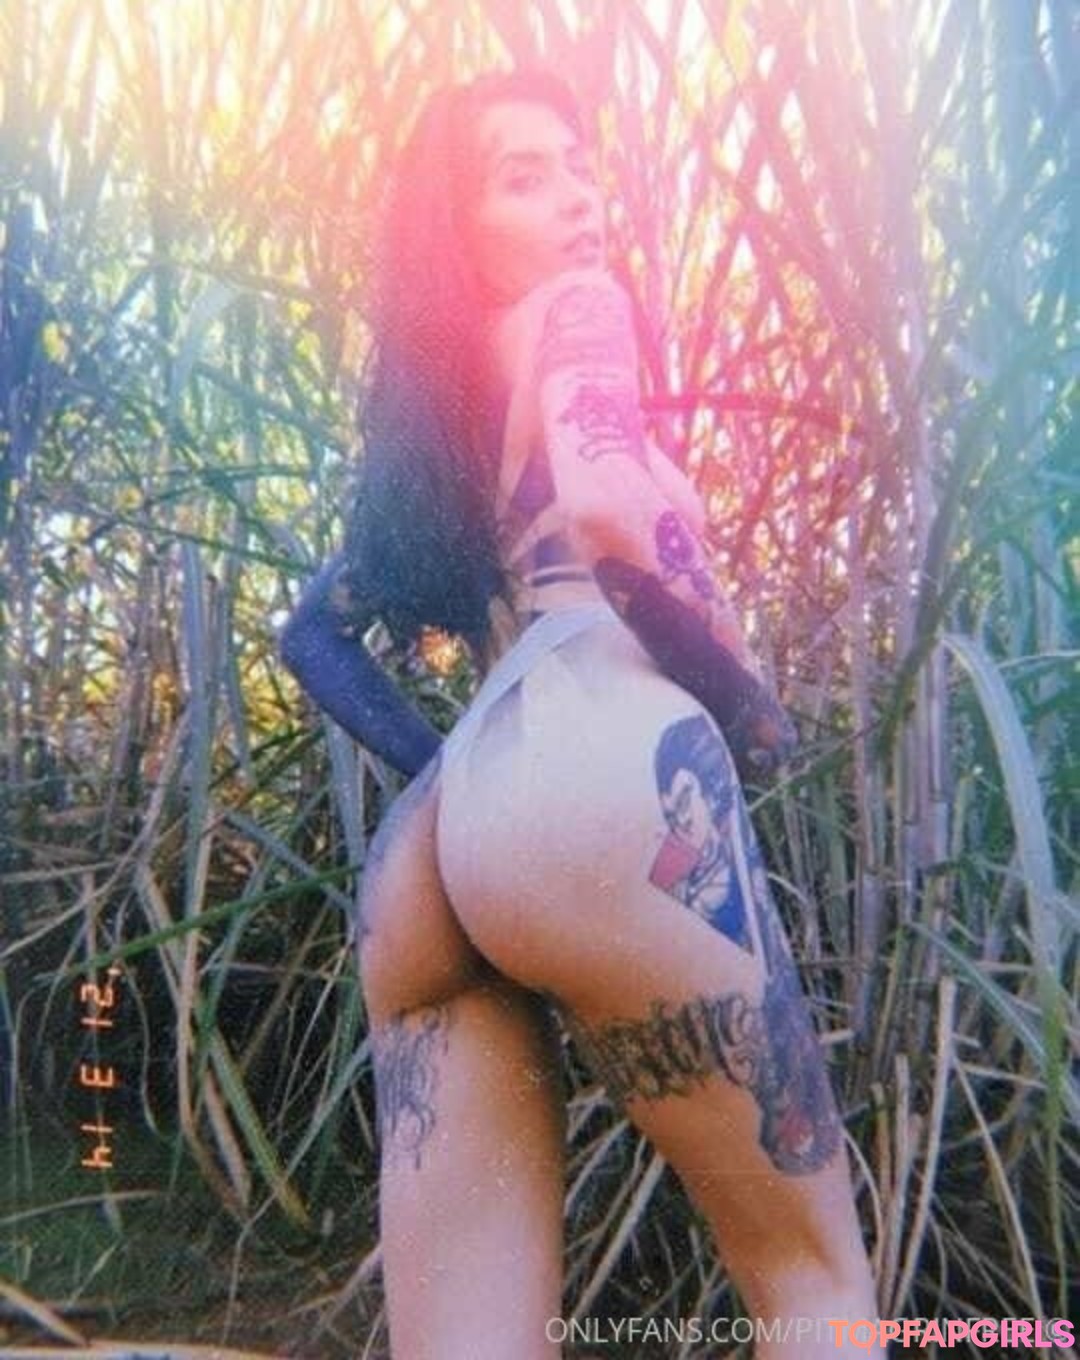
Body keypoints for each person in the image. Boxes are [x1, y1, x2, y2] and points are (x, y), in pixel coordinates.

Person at [280, 67, 881, 1359]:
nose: (577, 198)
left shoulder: (436, 411)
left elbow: (312, 632)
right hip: (602, 757)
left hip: (436, 858)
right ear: (461, 229)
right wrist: (746, 697)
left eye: (580, 165)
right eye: (525, 176)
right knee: (813, 1282)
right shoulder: (578, 309)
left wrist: (457, 780)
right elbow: (610, 506)